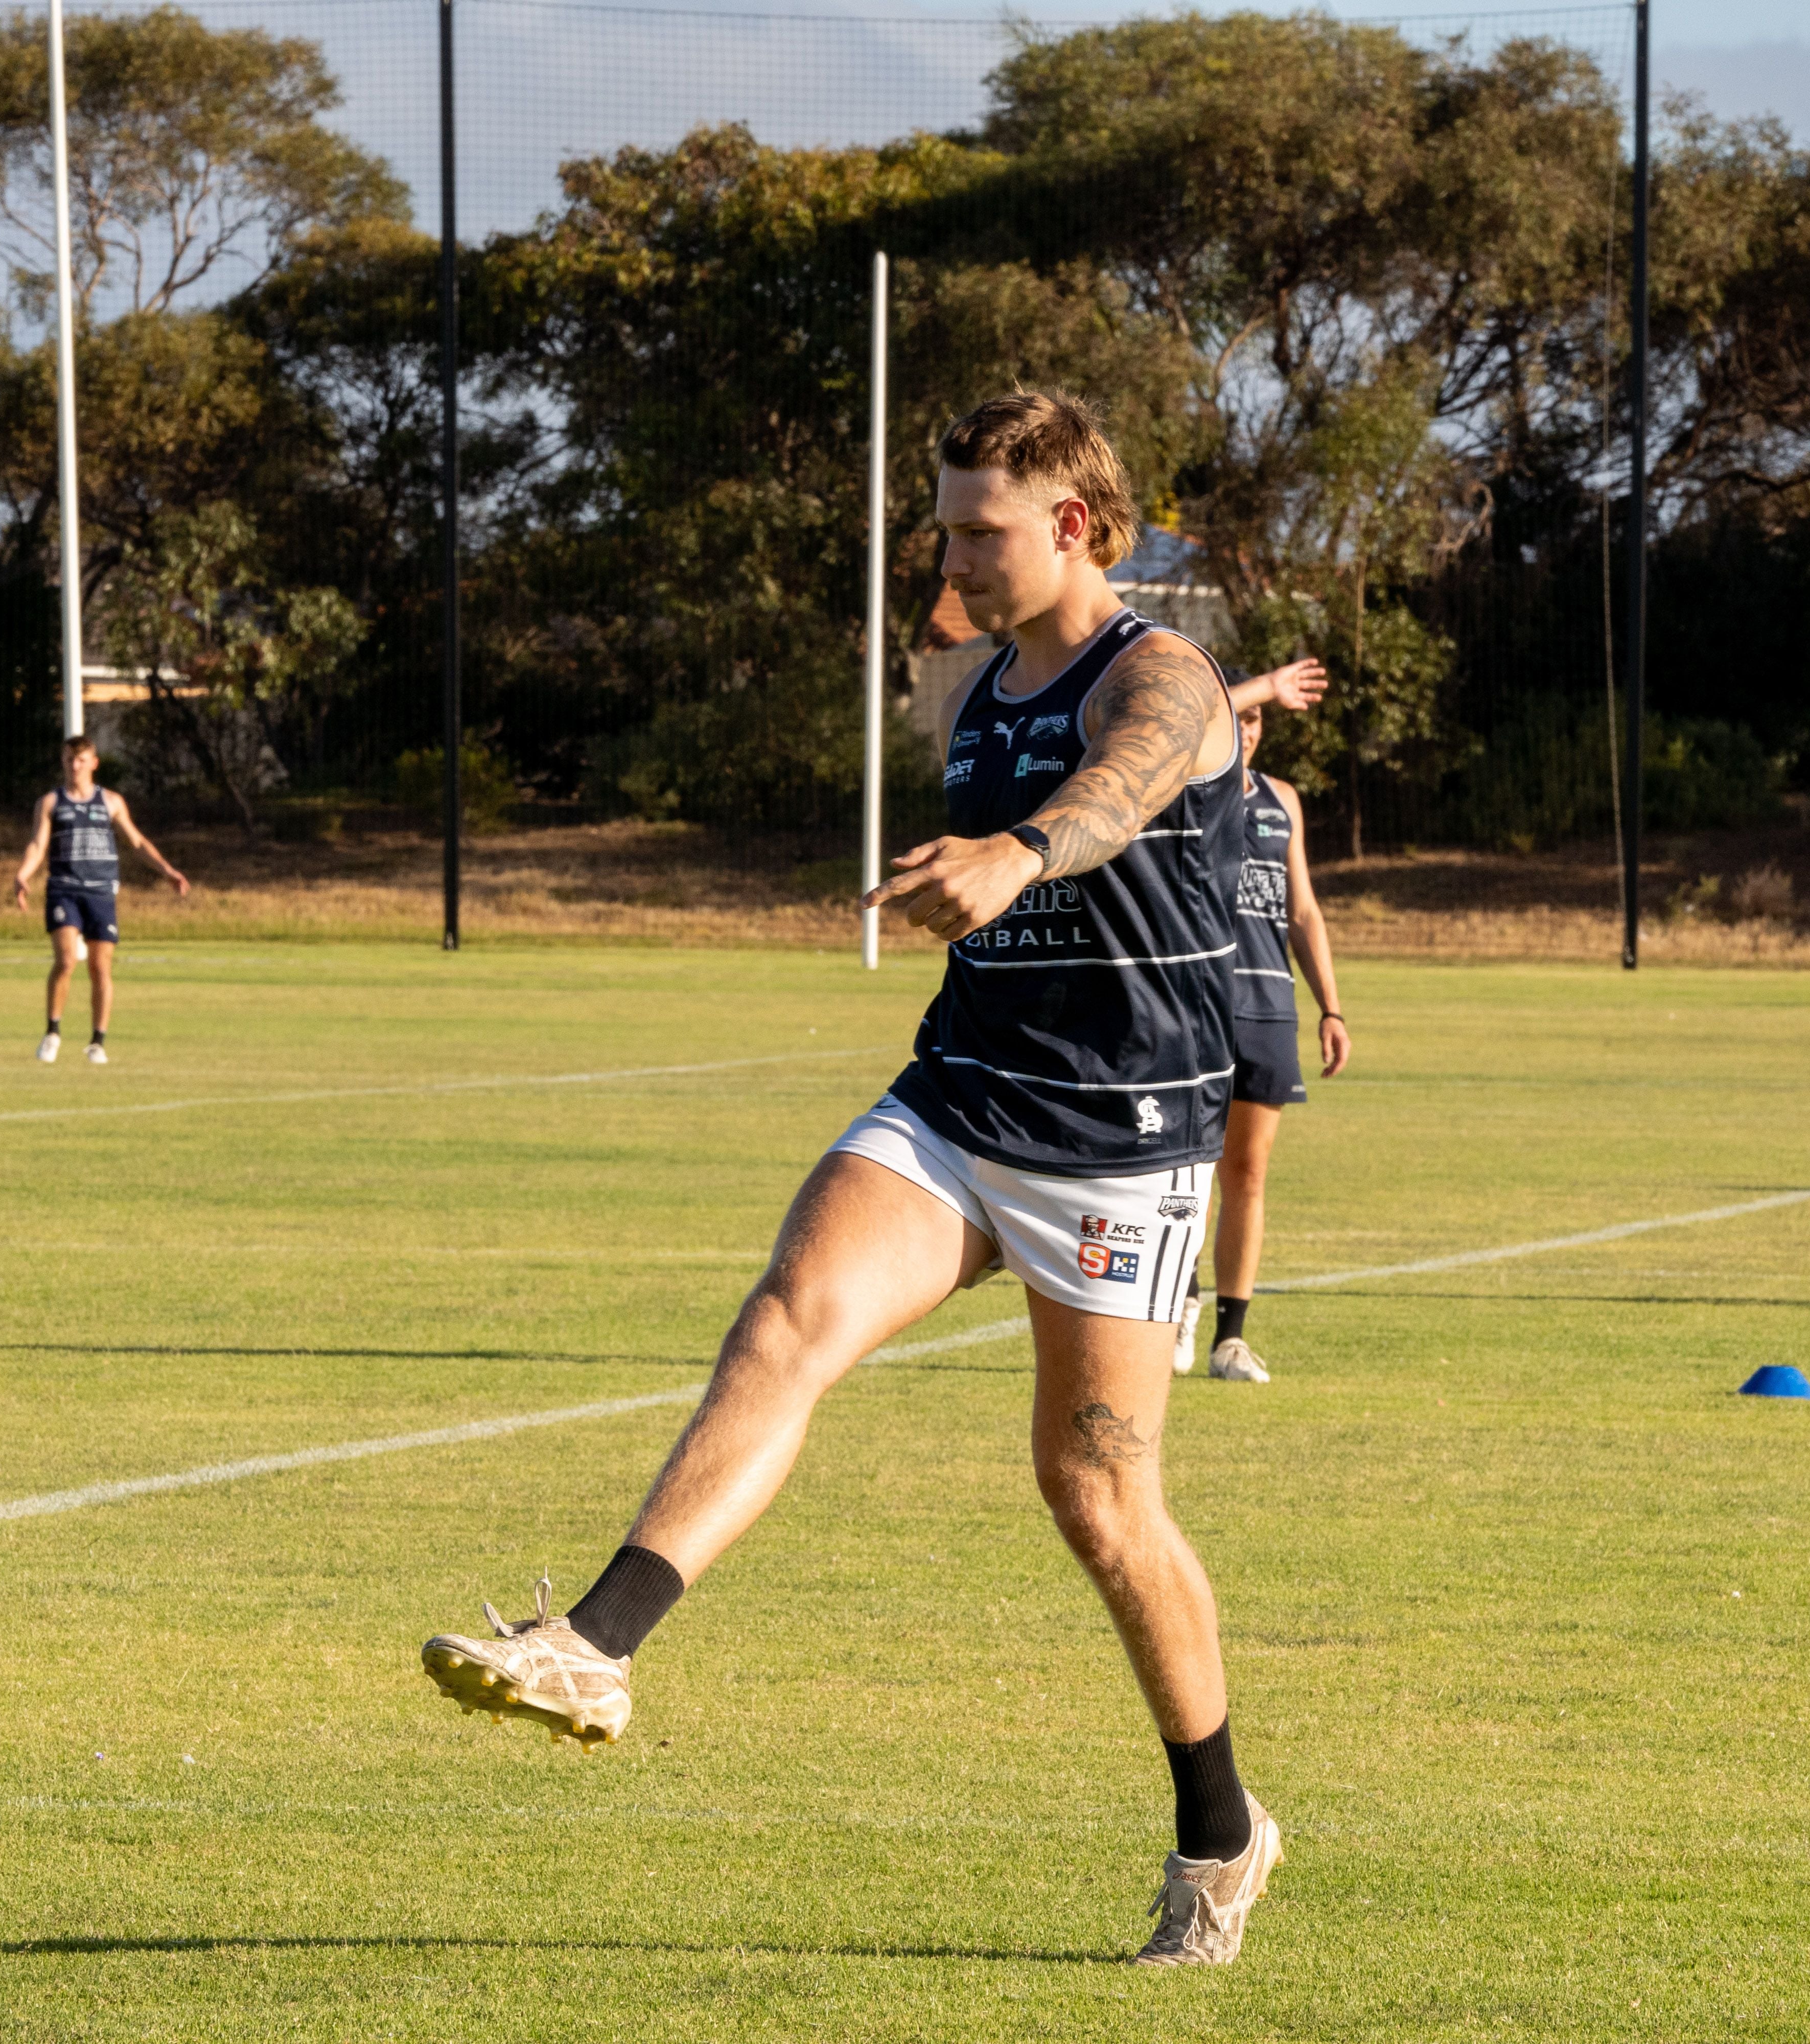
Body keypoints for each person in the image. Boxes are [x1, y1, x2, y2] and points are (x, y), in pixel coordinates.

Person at [422, 390, 1283, 1966]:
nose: (947, 550)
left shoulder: (1160, 673)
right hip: (962, 1093)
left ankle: (1221, 1828)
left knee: (1096, 1499)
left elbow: (1130, 782)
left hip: (1118, 1139)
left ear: (1072, 527)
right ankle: (594, 1647)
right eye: (944, 520)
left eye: (978, 526)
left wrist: (1019, 851)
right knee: (786, 1317)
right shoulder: (978, 678)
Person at [1169, 696, 1352, 1382]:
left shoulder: (1284, 800)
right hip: (1200, 1005)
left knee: (1247, 1172)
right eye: (1237, 718)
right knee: (1188, 1164)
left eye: (1255, 723)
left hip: (1269, 1006)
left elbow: (1302, 906)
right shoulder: (1184, 784)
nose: (1245, 733)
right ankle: (1178, 1303)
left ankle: (1230, 1340)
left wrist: (1331, 1008)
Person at [9, 736, 188, 1065]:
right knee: (66, 961)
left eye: (81, 760)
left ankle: (97, 1042)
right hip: (64, 889)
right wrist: (23, 874)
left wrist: (167, 871)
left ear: (94, 763)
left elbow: (137, 842)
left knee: (99, 966)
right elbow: (38, 845)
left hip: (101, 892)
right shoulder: (50, 802)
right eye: (68, 760)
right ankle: (52, 1033)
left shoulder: (112, 802)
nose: (74, 766)